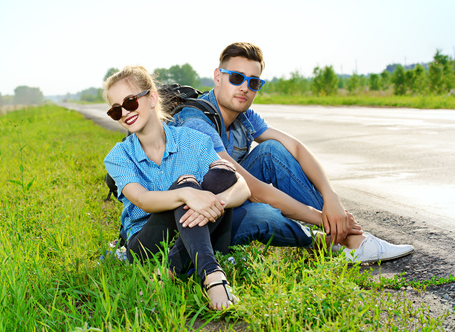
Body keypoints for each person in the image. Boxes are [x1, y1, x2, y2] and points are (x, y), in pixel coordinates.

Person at [170, 42, 415, 264]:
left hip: (227, 200)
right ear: (218, 77)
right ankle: (344, 238)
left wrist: (331, 198)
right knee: (262, 213)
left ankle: (346, 240)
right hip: (193, 221)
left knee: (272, 151)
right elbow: (252, 189)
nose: (244, 88)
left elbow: (295, 147)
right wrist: (321, 217)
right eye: (236, 77)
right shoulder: (196, 122)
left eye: (253, 82)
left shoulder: (243, 116)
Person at [103, 65, 251, 310]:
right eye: (115, 110)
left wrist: (212, 202)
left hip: (200, 231)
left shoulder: (192, 139)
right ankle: (212, 274)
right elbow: (143, 200)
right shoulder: (118, 156)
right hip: (147, 243)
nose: (124, 113)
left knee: (222, 176)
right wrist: (187, 193)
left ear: (151, 98)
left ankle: (172, 268)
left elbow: (241, 186)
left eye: (130, 102)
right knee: (187, 183)